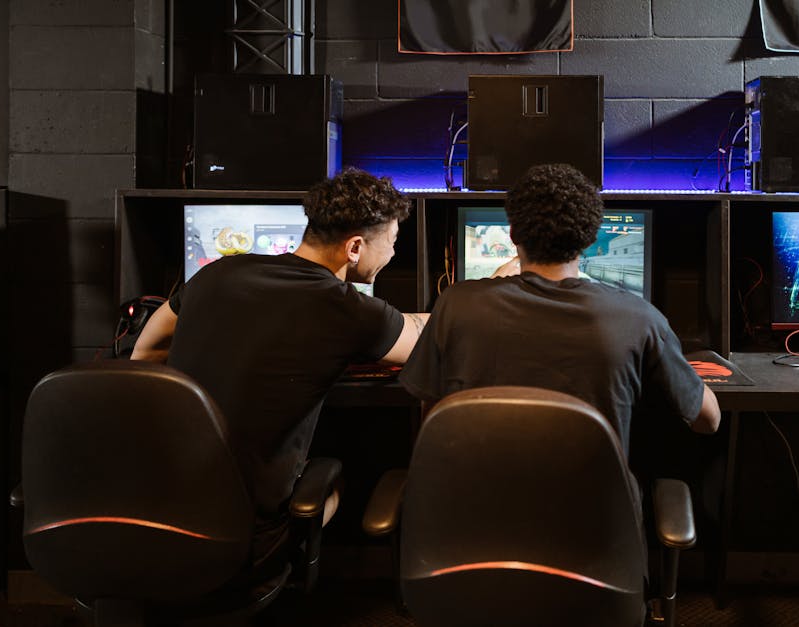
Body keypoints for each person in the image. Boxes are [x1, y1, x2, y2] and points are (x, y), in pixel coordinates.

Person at [399, 164, 720, 562]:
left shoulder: (455, 305)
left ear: (513, 235)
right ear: (589, 240)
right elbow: (708, 421)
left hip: (474, 541)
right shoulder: (640, 318)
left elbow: (432, 421)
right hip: (596, 552)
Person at [131, 167, 428, 587]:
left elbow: (147, 350)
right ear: (355, 247)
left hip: (154, 512)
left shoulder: (217, 273)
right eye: (392, 243)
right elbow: (422, 341)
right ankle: (284, 571)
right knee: (333, 481)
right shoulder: (348, 308)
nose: (393, 254)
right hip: (246, 539)